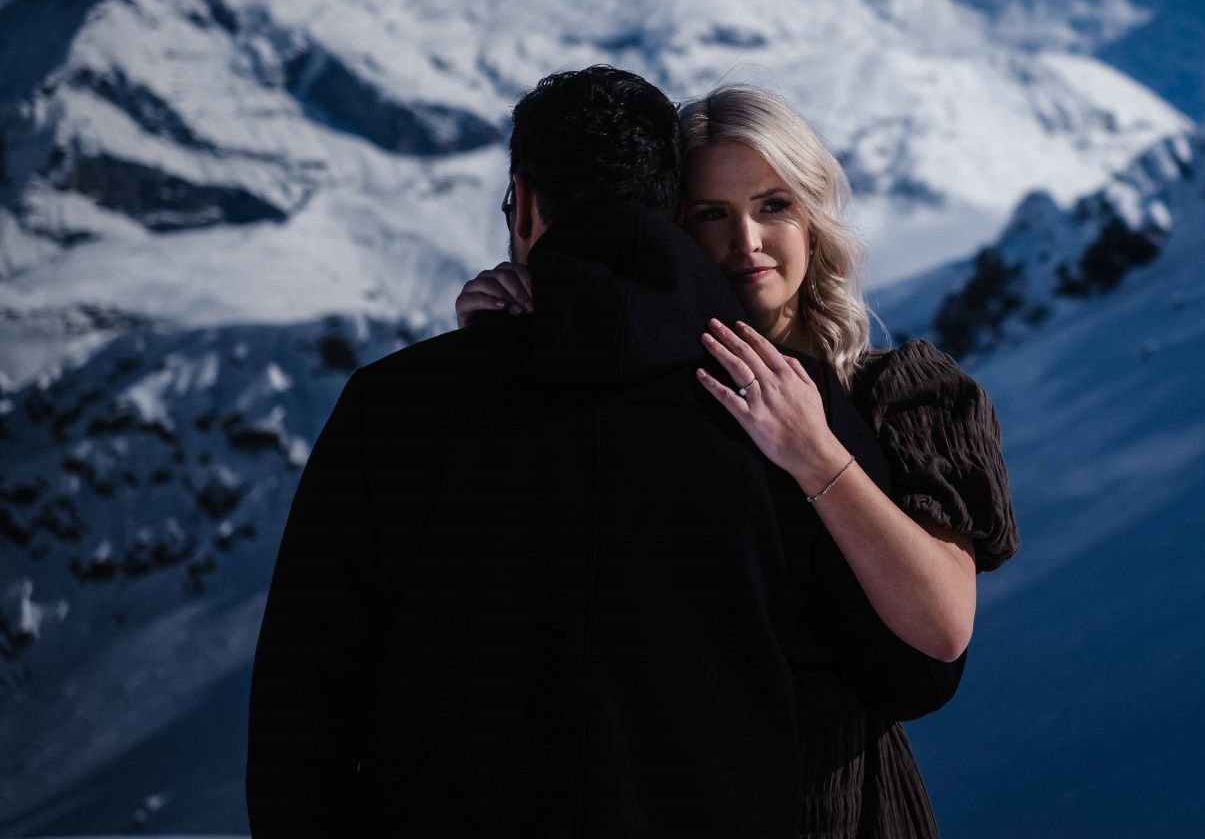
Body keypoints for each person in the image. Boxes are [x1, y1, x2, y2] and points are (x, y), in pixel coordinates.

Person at [247, 66, 928, 837]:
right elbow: (907, 669)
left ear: (528, 206)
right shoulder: (784, 406)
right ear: (673, 213)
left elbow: (301, 720)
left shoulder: (392, 408)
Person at [457, 83, 1020, 838]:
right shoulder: (648, 398)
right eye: (711, 216)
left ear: (815, 221)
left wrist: (815, 452)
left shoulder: (902, 394)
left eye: (772, 206)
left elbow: (942, 628)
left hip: (845, 810)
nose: (745, 242)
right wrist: (508, 346)